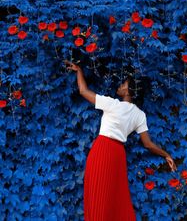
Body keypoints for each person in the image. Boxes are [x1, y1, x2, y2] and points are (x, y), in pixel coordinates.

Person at [64, 60, 177, 221]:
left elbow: (83, 91)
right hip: (117, 154)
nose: (120, 84)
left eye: (124, 83)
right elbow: (148, 144)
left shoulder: (112, 104)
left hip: (102, 149)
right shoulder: (139, 115)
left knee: (97, 195)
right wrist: (166, 155)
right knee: (114, 199)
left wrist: (79, 71)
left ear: (129, 90)